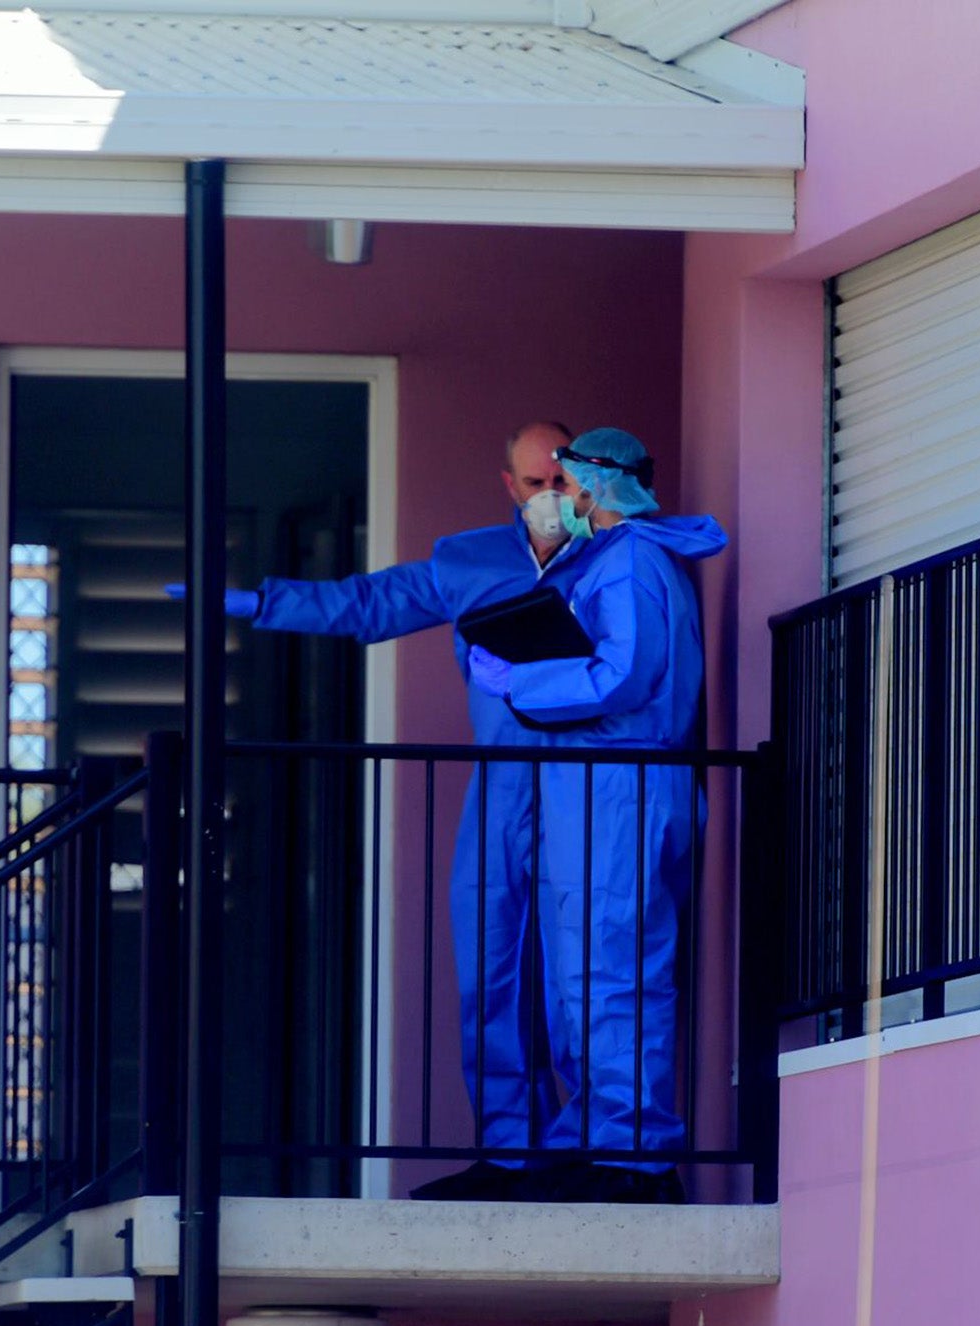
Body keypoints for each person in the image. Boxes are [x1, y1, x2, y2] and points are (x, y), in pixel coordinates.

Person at [171, 422, 586, 1199]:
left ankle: (587, 1150)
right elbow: (368, 604)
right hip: (500, 789)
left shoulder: (614, 551)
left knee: (581, 975)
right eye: (537, 484)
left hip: (591, 787)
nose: (553, 497)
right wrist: (258, 601)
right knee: (493, 967)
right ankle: (511, 1154)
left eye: (563, 481)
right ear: (510, 488)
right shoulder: (471, 559)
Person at [464, 428, 726, 1204]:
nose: (562, 500)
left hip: (624, 786)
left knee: (614, 970)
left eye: (571, 486)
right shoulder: (610, 561)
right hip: (596, 786)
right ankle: (596, 1141)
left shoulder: (636, 560)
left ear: (601, 487)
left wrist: (521, 682)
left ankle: (636, 1156)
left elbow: (622, 676)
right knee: (580, 976)